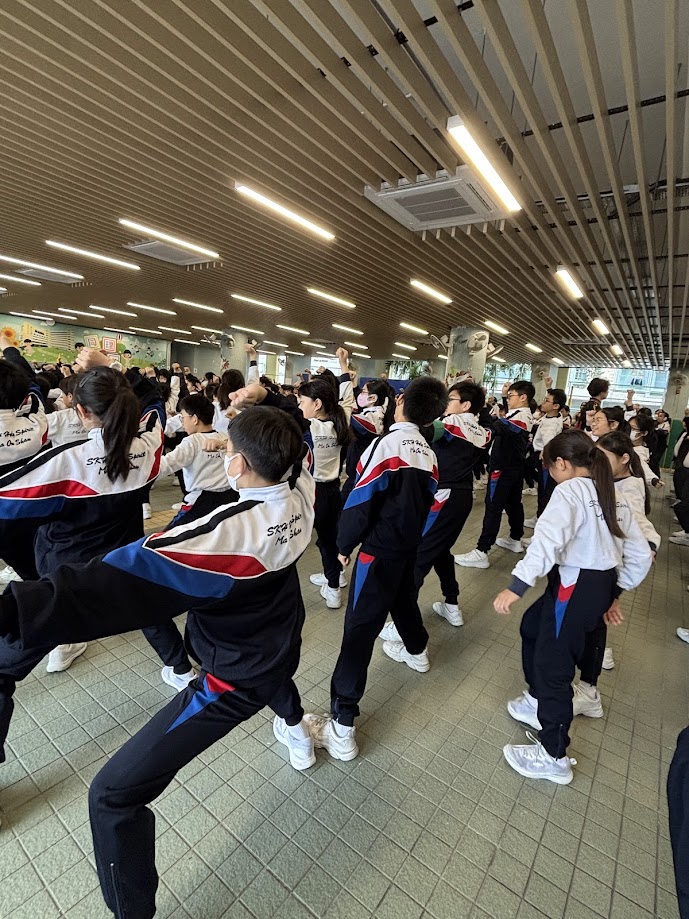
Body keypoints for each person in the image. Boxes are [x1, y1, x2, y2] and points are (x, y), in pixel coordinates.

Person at [0, 406, 316, 919]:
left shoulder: (230, 536)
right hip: (277, 641)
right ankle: (298, 729)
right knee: (274, 672)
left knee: (111, 796)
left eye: (231, 451)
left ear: (238, 465)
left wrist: (12, 608)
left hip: (234, 679)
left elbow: (119, 579)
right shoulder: (302, 495)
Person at [495, 430, 652, 784]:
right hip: (595, 583)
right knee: (532, 626)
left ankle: (553, 755)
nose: (550, 475)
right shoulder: (610, 492)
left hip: (575, 586)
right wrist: (616, 592)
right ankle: (537, 699)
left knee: (553, 667)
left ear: (562, 464)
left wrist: (516, 586)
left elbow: (545, 544)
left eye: (549, 468)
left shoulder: (569, 491)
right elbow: (641, 554)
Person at [305, 377, 447, 759]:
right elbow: (432, 504)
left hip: (377, 553)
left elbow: (361, 499)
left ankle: (342, 725)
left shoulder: (386, 445)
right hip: (407, 549)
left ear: (400, 403)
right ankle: (417, 650)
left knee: (359, 632)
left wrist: (343, 545)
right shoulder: (429, 454)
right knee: (402, 601)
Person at [384, 380, 490, 630]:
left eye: (450, 399)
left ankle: (403, 629)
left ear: (466, 405)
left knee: (419, 556)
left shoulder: (452, 423)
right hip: (462, 496)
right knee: (441, 550)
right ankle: (451, 603)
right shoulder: (481, 431)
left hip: (444, 496)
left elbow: (424, 430)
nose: (445, 404)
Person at [454, 380, 534, 569]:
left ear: (523, 397)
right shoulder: (521, 414)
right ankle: (515, 538)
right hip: (513, 467)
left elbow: (497, 427)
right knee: (513, 503)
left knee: (493, 506)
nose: (508, 399)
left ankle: (482, 551)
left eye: (511, 396)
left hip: (503, 468)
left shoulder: (520, 417)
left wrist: (481, 409)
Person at [299, 376, 353, 608]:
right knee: (329, 542)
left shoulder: (309, 427)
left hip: (311, 493)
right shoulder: (341, 422)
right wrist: (344, 369)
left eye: (302, 401)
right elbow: (347, 399)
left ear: (317, 404)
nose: (300, 406)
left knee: (295, 540)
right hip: (333, 492)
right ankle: (334, 588)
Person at [341, 378, 395, 504]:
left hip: (359, 476)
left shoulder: (371, 418)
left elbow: (347, 418)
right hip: (362, 473)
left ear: (373, 398)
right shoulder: (378, 414)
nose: (360, 394)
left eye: (363, 391)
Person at [524, 387, 567, 534]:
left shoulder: (553, 422)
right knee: (542, 489)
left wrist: (545, 453)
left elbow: (550, 440)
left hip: (546, 458)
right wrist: (549, 386)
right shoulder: (552, 416)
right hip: (541, 455)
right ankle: (539, 517)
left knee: (545, 492)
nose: (543, 402)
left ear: (556, 406)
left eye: (547, 401)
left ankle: (542, 524)